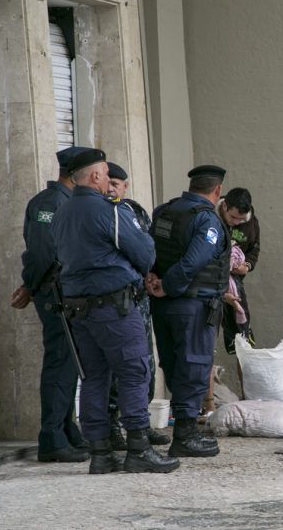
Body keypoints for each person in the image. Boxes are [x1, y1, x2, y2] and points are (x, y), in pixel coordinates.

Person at [50, 147, 179, 474]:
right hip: (115, 307)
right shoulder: (111, 210)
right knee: (135, 372)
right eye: (106, 174)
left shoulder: (62, 212)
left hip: (79, 310)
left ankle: (101, 454)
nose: (109, 181)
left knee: (94, 377)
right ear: (95, 176)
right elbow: (145, 253)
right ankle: (138, 449)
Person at [10, 147, 90, 463]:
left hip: (69, 293)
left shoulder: (68, 202)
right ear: (76, 173)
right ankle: (51, 438)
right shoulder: (49, 203)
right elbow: (43, 252)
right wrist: (31, 287)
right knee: (60, 361)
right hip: (56, 294)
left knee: (69, 363)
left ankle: (66, 428)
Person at [147, 165, 230, 457]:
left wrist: (154, 279)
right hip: (192, 304)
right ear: (217, 191)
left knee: (172, 363)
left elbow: (149, 250)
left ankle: (184, 429)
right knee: (193, 364)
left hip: (161, 304)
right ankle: (185, 435)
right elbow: (195, 261)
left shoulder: (164, 212)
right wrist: (168, 285)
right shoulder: (207, 220)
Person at [104, 162, 170, 448]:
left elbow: (148, 249)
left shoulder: (135, 211)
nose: (110, 190)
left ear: (125, 187)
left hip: (139, 301)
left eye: (115, 185)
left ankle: (140, 424)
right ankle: (113, 428)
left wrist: (153, 275)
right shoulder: (99, 213)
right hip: (114, 301)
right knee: (111, 368)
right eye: (107, 184)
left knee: (142, 365)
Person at [218, 187, 260, 356]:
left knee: (242, 340)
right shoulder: (210, 216)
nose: (236, 222)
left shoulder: (251, 223)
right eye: (233, 217)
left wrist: (247, 265)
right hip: (210, 281)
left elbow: (254, 249)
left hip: (235, 281)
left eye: (241, 219)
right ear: (224, 206)